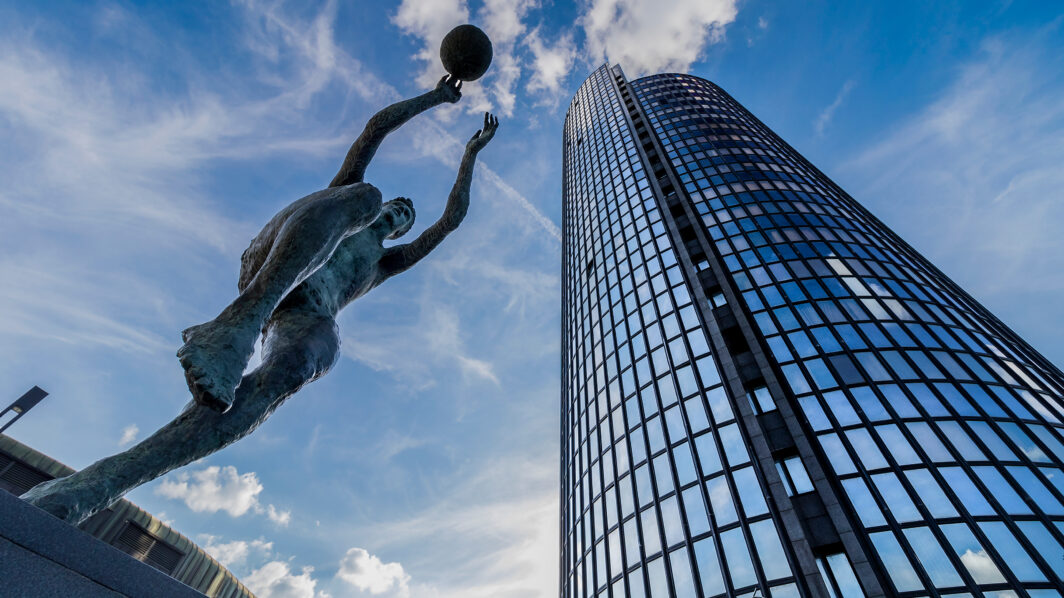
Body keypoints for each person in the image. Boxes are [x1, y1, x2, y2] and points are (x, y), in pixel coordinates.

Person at [23, 76, 499, 524]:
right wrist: (435, 99)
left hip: (301, 316)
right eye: (402, 204)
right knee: (362, 195)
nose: (402, 211)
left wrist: (471, 155)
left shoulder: (383, 264)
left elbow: (451, 221)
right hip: (272, 265)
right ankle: (239, 325)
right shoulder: (354, 200)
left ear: (400, 232)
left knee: (308, 356)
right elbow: (375, 129)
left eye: (406, 217)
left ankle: (87, 491)